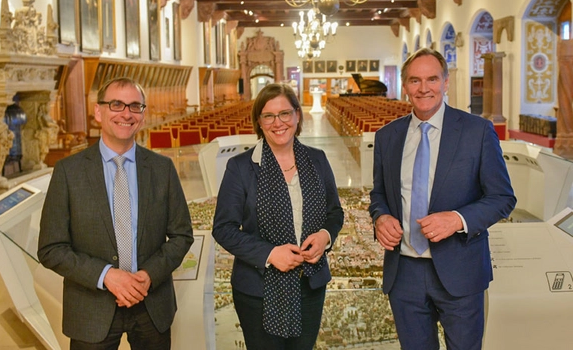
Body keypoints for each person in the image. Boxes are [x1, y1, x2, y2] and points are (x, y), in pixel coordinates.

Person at [369, 48, 516, 350]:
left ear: (446, 82)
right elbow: (379, 194)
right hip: (404, 272)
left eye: (432, 79)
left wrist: (458, 219)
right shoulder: (387, 137)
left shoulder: (477, 131)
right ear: (405, 85)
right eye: (415, 80)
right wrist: (380, 216)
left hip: (460, 269)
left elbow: (502, 197)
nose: (424, 88)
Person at [38, 77, 194, 349]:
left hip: (151, 305)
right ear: (98, 112)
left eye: (135, 106)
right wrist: (107, 276)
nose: (126, 114)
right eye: (116, 104)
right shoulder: (68, 172)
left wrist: (148, 275)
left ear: (143, 116)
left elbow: (182, 235)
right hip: (92, 308)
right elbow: (51, 248)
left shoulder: (162, 169)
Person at [212, 83, 344, 350]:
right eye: (268, 116)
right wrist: (271, 254)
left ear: (297, 115)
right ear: (259, 122)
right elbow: (223, 228)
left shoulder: (317, 159)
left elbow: (334, 212)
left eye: (285, 113)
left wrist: (324, 236)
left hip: (310, 285)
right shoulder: (240, 167)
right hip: (257, 292)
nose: (278, 122)